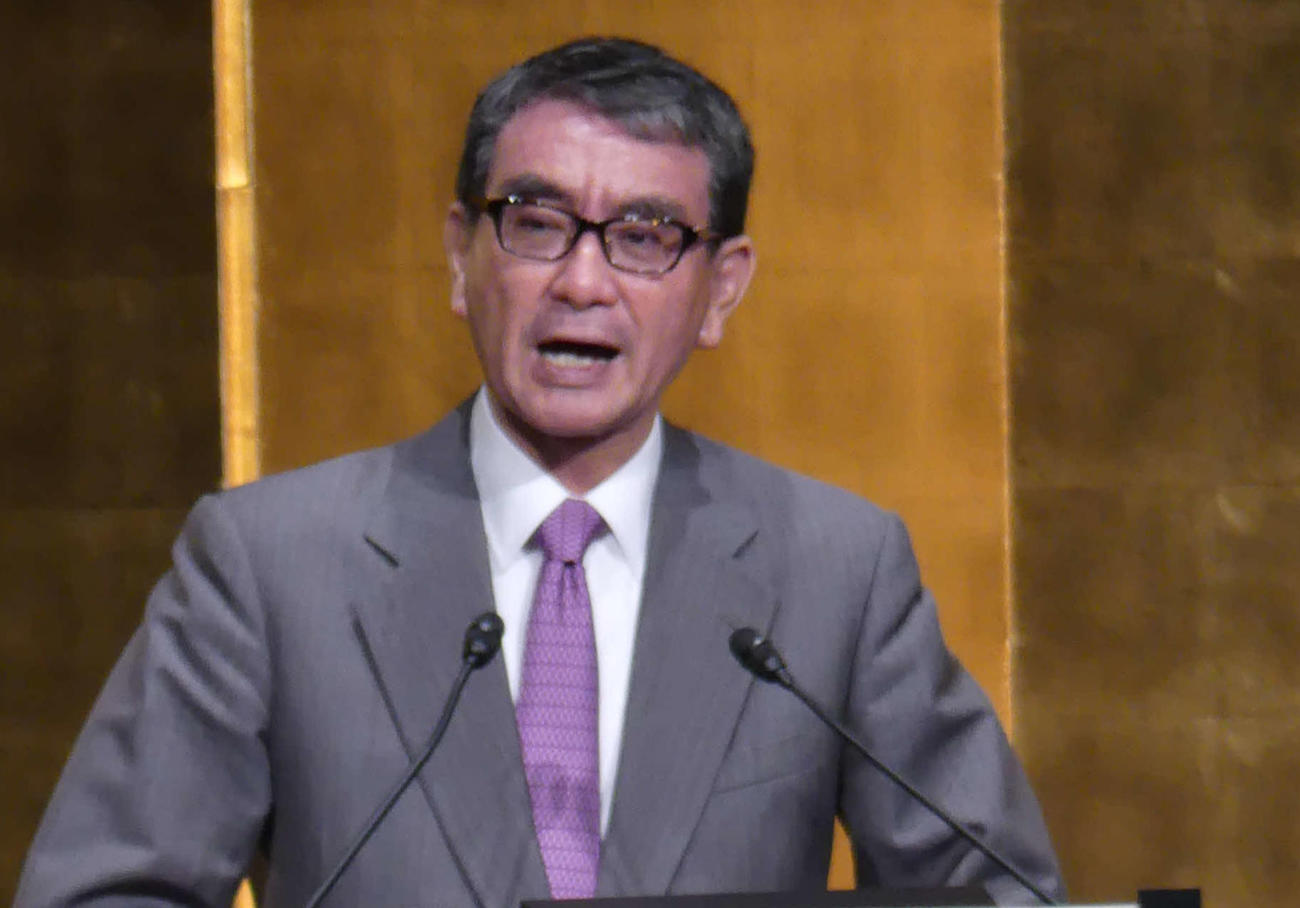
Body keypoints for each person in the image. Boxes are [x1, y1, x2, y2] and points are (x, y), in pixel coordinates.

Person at [17, 37, 1064, 908]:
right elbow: (107, 891)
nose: (582, 280)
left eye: (645, 236)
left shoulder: (835, 568)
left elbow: (998, 894)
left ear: (721, 290)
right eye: (536, 223)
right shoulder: (268, 564)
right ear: (460, 255)